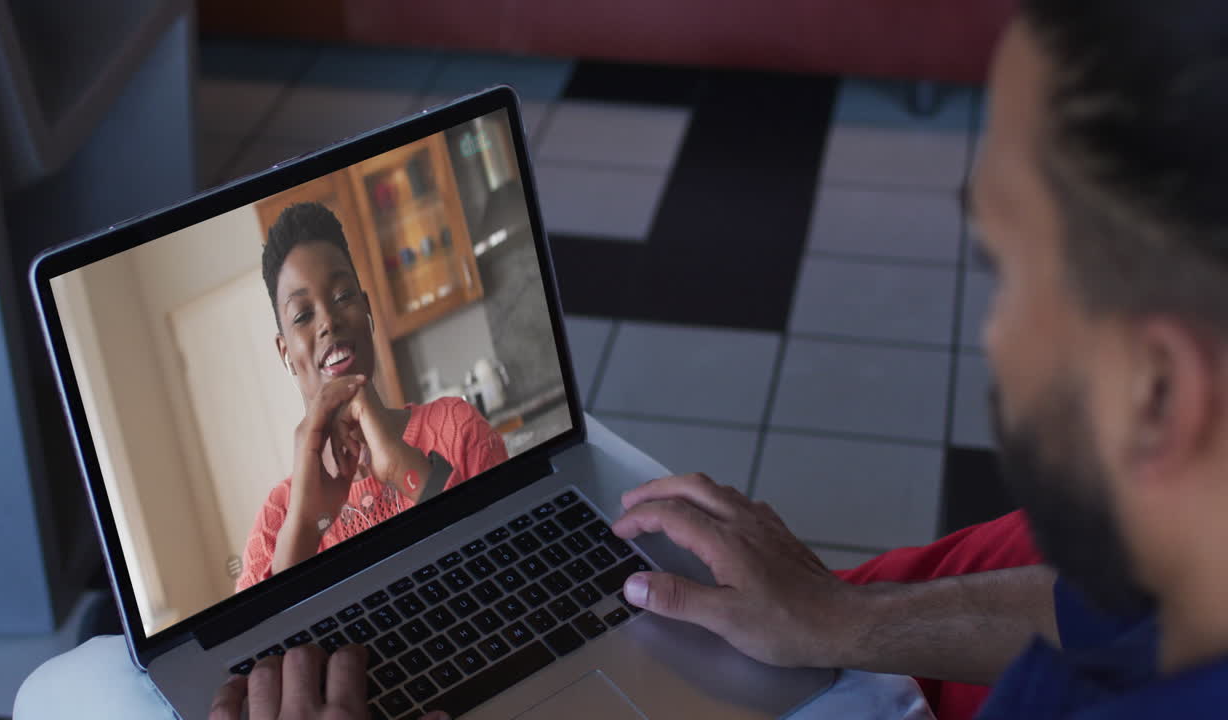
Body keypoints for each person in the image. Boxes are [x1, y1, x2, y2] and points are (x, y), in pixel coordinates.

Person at [216, 0, 1228, 716]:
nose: (989, 331)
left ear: (1161, 390)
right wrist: (845, 620)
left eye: (1005, 270)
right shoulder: (1180, 573)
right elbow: (1113, 614)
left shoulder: (440, 428)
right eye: (302, 313)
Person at [236, 202, 509, 592]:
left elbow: (507, 565)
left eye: (343, 296)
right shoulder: (277, 519)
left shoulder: (456, 428)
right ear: (285, 354)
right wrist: (304, 524)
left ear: (367, 310)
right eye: (302, 316)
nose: (328, 321)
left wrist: (404, 470)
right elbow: (258, 650)